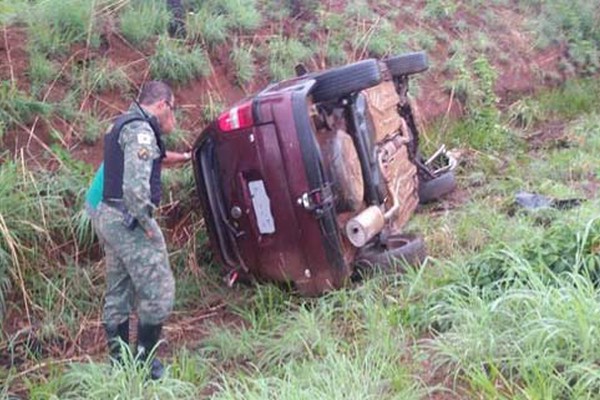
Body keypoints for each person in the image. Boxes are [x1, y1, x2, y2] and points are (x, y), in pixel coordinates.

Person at [95, 81, 191, 380]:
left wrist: (186, 158)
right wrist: (149, 227)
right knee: (160, 291)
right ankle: (146, 363)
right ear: (162, 104)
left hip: (107, 216)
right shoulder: (141, 132)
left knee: (118, 291)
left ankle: (120, 364)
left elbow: (150, 159)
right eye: (172, 109)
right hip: (129, 220)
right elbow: (135, 191)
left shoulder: (123, 124)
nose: (171, 116)